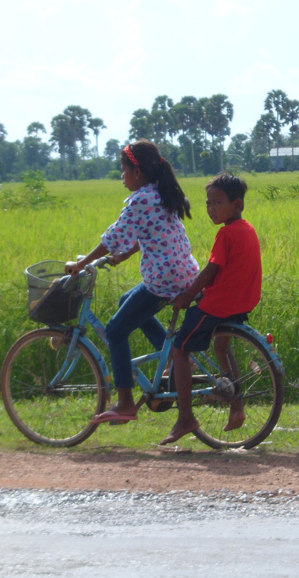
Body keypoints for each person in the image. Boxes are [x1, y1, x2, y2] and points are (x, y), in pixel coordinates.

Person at [66, 140, 199, 425]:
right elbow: (151, 232)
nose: (121, 177)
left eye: (123, 171)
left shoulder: (140, 198)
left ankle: (126, 403)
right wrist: (124, 255)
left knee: (115, 331)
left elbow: (113, 236)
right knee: (126, 302)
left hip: (163, 279)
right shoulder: (161, 193)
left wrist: (81, 264)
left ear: (136, 172)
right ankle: (176, 359)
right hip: (184, 272)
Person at [160, 173, 262, 445]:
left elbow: (210, 270)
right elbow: (231, 270)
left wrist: (187, 296)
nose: (211, 209)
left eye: (217, 203)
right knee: (221, 347)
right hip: (240, 304)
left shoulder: (226, 233)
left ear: (237, 205)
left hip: (219, 305)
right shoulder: (248, 230)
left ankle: (185, 418)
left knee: (180, 349)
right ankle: (237, 407)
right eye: (208, 203)